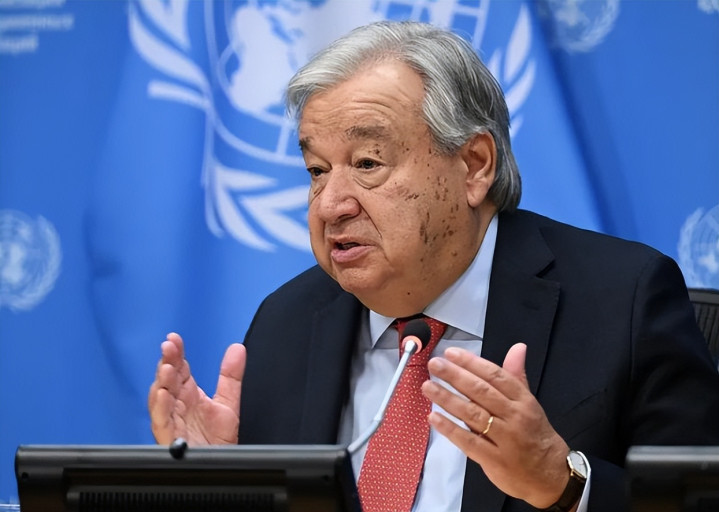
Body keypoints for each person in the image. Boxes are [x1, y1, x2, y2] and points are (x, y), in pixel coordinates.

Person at [148, 21, 719, 512]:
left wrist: (562, 483)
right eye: (317, 170)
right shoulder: (288, 323)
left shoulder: (621, 301)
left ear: (474, 165)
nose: (330, 205)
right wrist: (226, 488)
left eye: (367, 163)